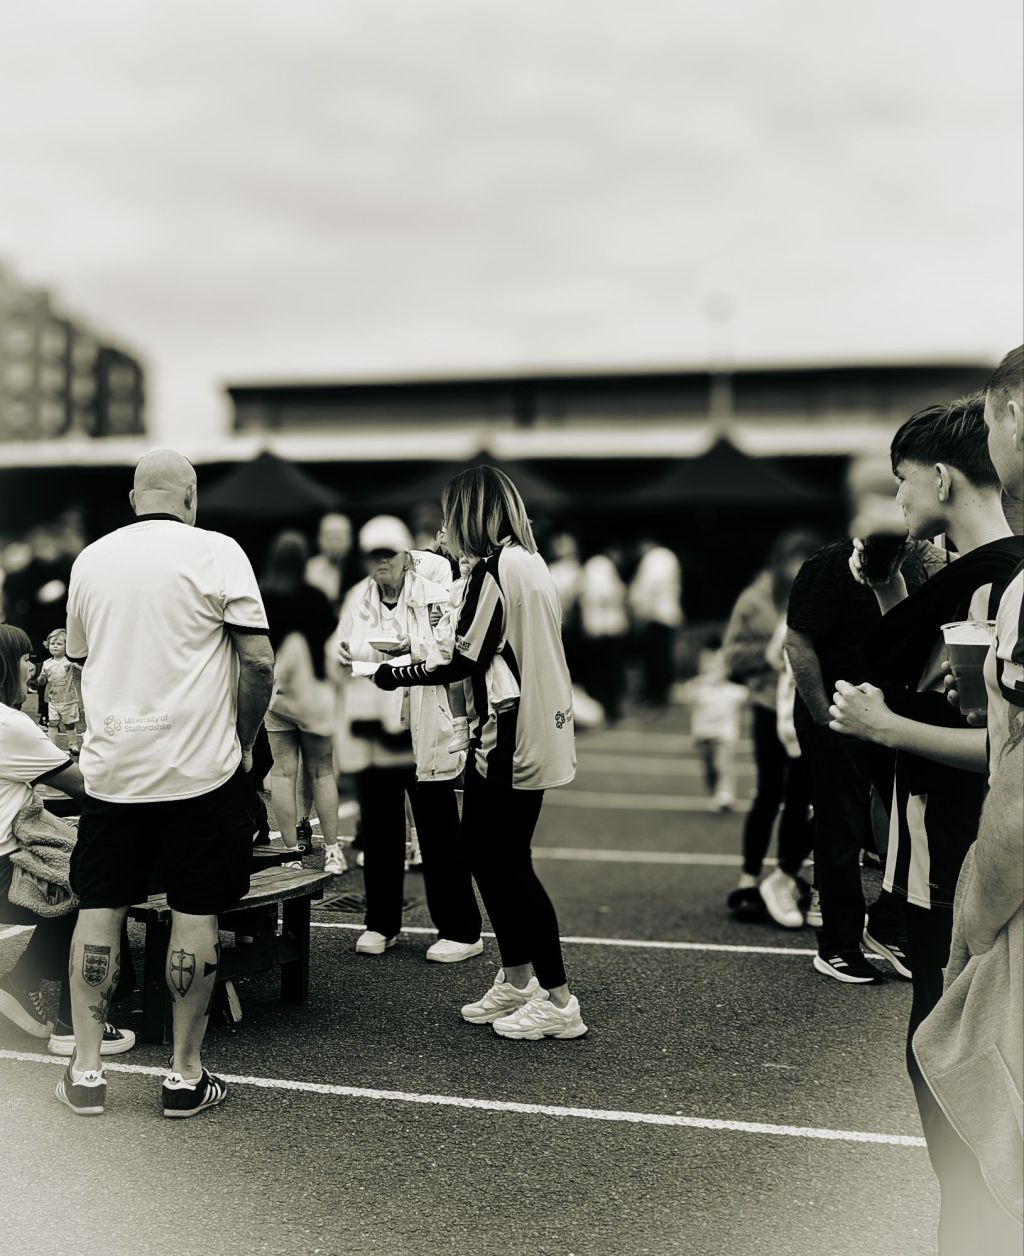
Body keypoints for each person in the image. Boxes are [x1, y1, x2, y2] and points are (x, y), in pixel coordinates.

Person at [836, 353, 1024, 1251]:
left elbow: (1003, 752)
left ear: (942, 478)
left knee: (962, 1106)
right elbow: (951, 687)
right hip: (947, 860)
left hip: (964, 867)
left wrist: (886, 727)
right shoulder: (983, 576)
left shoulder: (1000, 578)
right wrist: (889, 589)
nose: (899, 498)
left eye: (904, 479)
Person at [58, 449, 275, 1118]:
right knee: (194, 910)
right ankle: (183, 1076)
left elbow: (78, 666)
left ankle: (86, 1072)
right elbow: (258, 663)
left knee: (100, 906)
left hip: (115, 770)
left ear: (133, 499)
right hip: (200, 771)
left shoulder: (91, 560)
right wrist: (243, 739)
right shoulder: (218, 552)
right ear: (192, 496)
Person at [372, 466, 587, 1040]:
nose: (445, 526)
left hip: (511, 736)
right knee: (489, 854)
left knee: (506, 862)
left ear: (470, 514)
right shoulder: (528, 561)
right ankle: (518, 979)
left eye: (450, 515)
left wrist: (396, 673)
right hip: (534, 726)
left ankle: (559, 1001)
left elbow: (462, 656)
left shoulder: (497, 567)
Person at [785, 515, 946, 983]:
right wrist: (823, 714)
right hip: (836, 715)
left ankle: (890, 926)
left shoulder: (922, 563)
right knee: (842, 828)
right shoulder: (831, 563)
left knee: (908, 827)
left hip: (893, 717)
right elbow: (798, 642)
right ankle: (837, 945)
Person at [336, 515, 482, 962]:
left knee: (439, 833)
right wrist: (347, 655)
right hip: (376, 727)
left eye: (389, 554)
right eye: (374, 555)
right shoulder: (356, 598)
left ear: (406, 556)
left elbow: (447, 652)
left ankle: (461, 930)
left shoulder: (435, 594)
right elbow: (343, 649)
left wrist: (405, 650)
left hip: (425, 726)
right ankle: (381, 923)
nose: (382, 563)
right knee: (379, 832)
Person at [0, 625, 135, 1060]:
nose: (33, 667)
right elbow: (86, 788)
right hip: (2, 872)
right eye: (26, 659)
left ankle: (21, 983)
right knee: (95, 890)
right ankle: (73, 1027)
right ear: (5, 666)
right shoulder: (9, 726)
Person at [723, 531, 819, 927]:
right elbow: (731, 656)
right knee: (767, 792)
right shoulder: (755, 599)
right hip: (766, 705)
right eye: (792, 561)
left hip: (803, 709)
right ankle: (748, 878)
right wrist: (766, 655)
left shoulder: (817, 593)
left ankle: (785, 875)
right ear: (779, 562)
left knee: (800, 796)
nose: (797, 570)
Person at [260, 531, 345, 875]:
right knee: (322, 771)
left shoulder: (262, 597)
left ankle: (290, 853)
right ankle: (333, 851)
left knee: (282, 772)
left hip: (277, 695)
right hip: (313, 697)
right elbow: (331, 639)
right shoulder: (315, 597)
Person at [683, 635, 747, 812]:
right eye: (708, 664)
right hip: (703, 733)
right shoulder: (697, 688)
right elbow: (687, 698)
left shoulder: (733, 691)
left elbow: (749, 695)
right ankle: (715, 792)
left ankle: (725, 794)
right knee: (709, 769)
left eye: (718, 665)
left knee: (723, 764)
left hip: (724, 734)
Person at [627, 539, 683, 710]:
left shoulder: (652, 559)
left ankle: (655, 696)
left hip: (655, 615)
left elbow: (647, 588)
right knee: (664, 657)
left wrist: (639, 614)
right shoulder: (670, 557)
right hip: (669, 614)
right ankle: (663, 693)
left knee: (654, 659)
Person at [579, 545, 629, 725]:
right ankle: (610, 710)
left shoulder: (591, 567)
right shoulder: (602, 565)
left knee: (600, 672)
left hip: (597, 627)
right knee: (609, 672)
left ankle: (603, 710)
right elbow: (606, 594)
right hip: (606, 627)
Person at [37, 628, 82, 756]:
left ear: (66, 646)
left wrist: (77, 667)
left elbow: (82, 671)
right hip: (53, 700)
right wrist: (41, 678)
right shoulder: (46, 664)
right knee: (52, 723)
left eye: (59, 644)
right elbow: (41, 682)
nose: (55, 646)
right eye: (52, 643)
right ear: (48, 645)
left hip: (69, 700)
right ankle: (51, 744)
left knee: (70, 724)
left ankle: (72, 744)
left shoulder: (69, 662)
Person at [305, 512, 355, 614]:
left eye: (339, 538)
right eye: (329, 538)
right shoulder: (308, 570)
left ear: (350, 540)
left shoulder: (358, 571)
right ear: (319, 539)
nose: (334, 543)